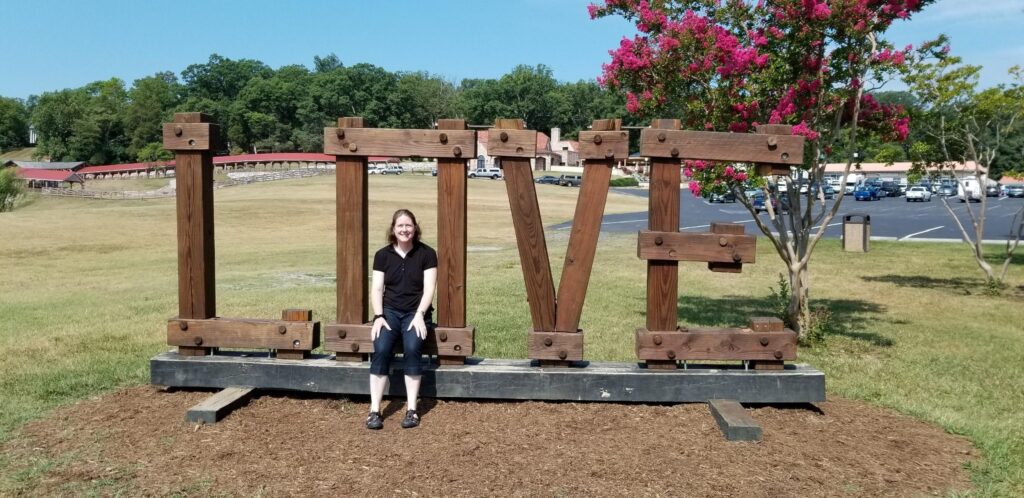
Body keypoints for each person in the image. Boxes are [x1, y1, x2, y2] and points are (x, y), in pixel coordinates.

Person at [366, 209, 437, 430]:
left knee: (413, 345)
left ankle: (412, 410)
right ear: (393, 229)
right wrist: (378, 316)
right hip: (389, 312)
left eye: (408, 226)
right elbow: (377, 289)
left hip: (416, 312)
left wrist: (419, 315)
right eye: (400, 226)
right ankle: (374, 411)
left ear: (415, 228)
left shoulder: (427, 254)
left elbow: (429, 289)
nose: (405, 230)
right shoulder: (382, 255)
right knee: (381, 347)